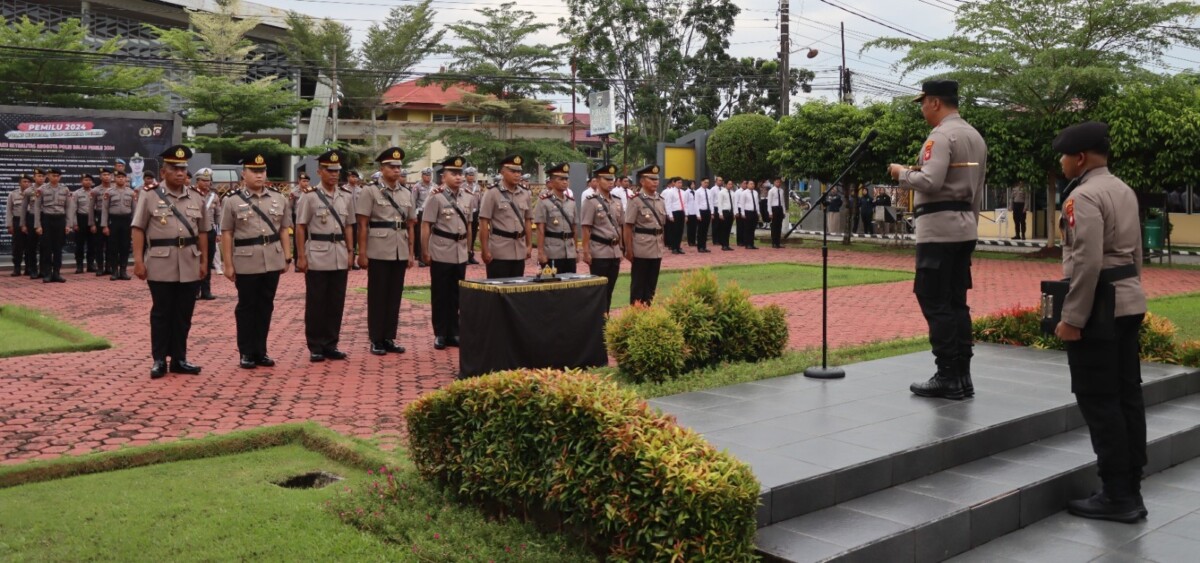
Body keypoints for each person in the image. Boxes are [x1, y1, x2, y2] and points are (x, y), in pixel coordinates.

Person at [1048, 121, 1149, 523]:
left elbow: (1086, 261)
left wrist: (1073, 318)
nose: (1061, 162)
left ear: (1080, 158)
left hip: (1098, 311)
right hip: (1127, 302)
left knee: (1099, 401)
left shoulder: (1083, 197)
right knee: (1127, 398)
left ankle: (1116, 495)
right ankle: (1130, 489)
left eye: (1064, 156)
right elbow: (1136, 253)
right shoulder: (1123, 190)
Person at [888, 79, 987, 400]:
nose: (921, 109)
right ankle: (962, 376)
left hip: (939, 230)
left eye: (922, 102)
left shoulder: (941, 136)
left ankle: (947, 374)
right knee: (957, 301)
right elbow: (977, 188)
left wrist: (901, 173)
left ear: (934, 102)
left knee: (933, 298)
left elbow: (930, 180)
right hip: (963, 227)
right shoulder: (975, 136)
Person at [130, 145, 207, 379]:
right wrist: (139, 261)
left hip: (189, 262)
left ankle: (179, 359)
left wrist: (204, 261)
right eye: (174, 168)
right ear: (163, 172)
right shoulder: (150, 195)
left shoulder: (196, 196)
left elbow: (202, 232)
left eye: (183, 168)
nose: (180, 173)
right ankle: (159, 360)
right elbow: (138, 228)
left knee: (184, 314)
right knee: (162, 313)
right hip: (160, 263)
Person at [221, 153, 292, 370]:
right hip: (246, 260)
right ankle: (246, 352)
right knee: (247, 307)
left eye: (262, 171)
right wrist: (228, 263)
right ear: (244, 174)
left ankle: (261, 350)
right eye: (254, 171)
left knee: (265, 306)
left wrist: (287, 257)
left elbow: (284, 229)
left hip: (272, 258)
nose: (259, 175)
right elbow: (227, 233)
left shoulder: (279, 198)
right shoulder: (232, 200)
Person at [356, 147, 416, 356]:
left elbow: (410, 225)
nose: (397, 170)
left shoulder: (407, 192)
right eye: (392, 166)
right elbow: (362, 224)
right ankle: (376, 338)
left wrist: (411, 253)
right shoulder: (369, 191)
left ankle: (389, 337)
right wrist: (361, 253)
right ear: (382, 168)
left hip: (400, 249)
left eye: (399, 166)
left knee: (394, 296)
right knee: (378, 296)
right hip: (379, 249)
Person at [296, 150, 354, 362]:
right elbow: (300, 227)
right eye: (330, 170)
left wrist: (350, 252)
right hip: (317, 253)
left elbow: (349, 226)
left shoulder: (346, 196)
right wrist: (300, 256)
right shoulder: (309, 196)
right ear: (320, 171)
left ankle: (331, 344)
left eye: (337, 171)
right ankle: (316, 345)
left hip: (339, 252)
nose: (334, 175)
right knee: (317, 302)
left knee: (336, 302)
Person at [421, 155, 472, 350]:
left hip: (459, 251)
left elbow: (469, 225)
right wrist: (424, 251)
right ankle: (440, 333)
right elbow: (426, 225)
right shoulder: (436, 196)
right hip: (441, 250)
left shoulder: (467, 196)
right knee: (441, 293)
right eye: (454, 173)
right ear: (444, 176)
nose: (458, 177)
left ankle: (454, 331)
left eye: (460, 173)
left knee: (456, 293)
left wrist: (468, 249)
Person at [478, 154, 532, 278]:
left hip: (519, 249)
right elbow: (483, 222)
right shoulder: (492, 193)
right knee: (497, 292)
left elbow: (528, 220)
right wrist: (485, 249)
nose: (517, 174)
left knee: (515, 292)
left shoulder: (525, 193)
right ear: (502, 172)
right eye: (513, 171)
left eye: (519, 171)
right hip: (499, 251)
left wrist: (528, 245)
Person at [581, 163, 624, 310]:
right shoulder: (591, 201)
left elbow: (620, 226)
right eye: (606, 179)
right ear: (597, 181)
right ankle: (597, 322)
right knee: (598, 290)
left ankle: (606, 319)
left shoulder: (617, 201)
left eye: (612, 179)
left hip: (614, 251)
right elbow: (586, 228)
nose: (610, 182)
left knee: (610, 289)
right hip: (599, 251)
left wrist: (621, 248)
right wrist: (586, 252)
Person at [623, 164, 666, 305]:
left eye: (657, 179)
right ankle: (635, 316)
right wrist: (628, 250)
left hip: (656, 248)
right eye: (651, 179)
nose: (655, 182)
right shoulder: (635, 200)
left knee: (651, 286)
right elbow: (628, 226)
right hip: (641, 248)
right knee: (638, 286)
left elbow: (661, 226)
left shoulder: (661, 200)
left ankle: (648, 316)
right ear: (642, 181)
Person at [33, 168, 76, 283]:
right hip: (47, 219)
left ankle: (56, 273)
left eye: (57, 176)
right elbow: (37, 208)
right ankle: (47, 273)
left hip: (60, 220)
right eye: (53, 175)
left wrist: (68, 225)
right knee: (46, 248)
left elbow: (69, 207)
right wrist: (38, 225)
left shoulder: (65, 189)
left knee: (58, 248)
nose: (55, 177)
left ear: (60, 177)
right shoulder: (41, 189)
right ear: (48, 176)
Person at [535, 163, 578, 274]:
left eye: (566, 179)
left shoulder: (571, 202)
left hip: (569, 250)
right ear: (552, 182)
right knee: (551, 286)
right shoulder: (544, 201)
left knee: (570, 284)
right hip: (552, 252)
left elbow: (574, 228)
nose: (565, 182)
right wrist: (540, 252)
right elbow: (540, 229)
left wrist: (576, 250)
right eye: (561, 179)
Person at [101, 170, 137, 281]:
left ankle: (123, 271)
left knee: (125, 247)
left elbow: (135, 211)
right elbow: (105, 210)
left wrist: (134, 225)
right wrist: (105, 226)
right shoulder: (109, 192)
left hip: (126, 222)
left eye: (122, 177)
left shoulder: (131, 193)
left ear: (126, 179)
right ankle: (115, 271)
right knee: (113, 247)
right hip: (114, 221)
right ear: (114, 179)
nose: (120, 179)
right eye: (118, 177)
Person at [193, 168, 219, 300]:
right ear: (197, 181)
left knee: (207, 262)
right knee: (196, 261)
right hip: (195, 232)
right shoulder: (192, 194)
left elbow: (218, 215)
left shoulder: (214, 197)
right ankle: (195, 290)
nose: (206, 183)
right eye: (203, 180)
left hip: (210, 232)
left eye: (208, 180)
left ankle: (206, 290)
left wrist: (218, 232)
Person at [6, 174, 30, 276]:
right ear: (19, 183)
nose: (27, 183)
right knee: (17, 246)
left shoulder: (34, 193)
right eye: (24, 181)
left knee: (30, 246)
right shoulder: (13, 194)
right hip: (17, 221)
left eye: (28, 182)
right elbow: (9, 210)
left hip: (30, 221)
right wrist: (9, 225)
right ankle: (17, 268)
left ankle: (29, 268)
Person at [72, 174, 95, 273]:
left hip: (93, 219)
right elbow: (73, 209)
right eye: (85, 180)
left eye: (90, 180)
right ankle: (79, 266)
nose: (88, 182)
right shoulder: (77, 193)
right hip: (81, 219)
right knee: (79, 244)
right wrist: (75, 223)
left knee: (92, 244)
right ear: (81, 181)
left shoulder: (95, 192)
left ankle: (91, 265)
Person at [412, 167, 435, 267]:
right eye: (426, 175)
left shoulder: (434, 186)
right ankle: (421, 259)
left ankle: (430, 257)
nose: (428, 177)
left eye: (429, 175)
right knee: (421, 236)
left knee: (432, 236)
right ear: (422, 176)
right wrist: (414, 215)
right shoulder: (417, 186)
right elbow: (413, 201)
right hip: (421, 212)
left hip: (433, 214)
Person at [24, 168, 44, 279]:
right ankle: (33, 270)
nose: (40, 178)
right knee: (32, 245)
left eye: (42, 176)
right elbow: (23, 209)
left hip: (44, 218)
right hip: (32, 218)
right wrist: (23, 224)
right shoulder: (28, 191)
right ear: (34, 177)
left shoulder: (47, 189)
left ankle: (43, 269)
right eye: (38, 176)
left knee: (45, 246)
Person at [91, 168, 112, 275]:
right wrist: (92, 224)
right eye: (104, 174)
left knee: (111, 244)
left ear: (111, 176)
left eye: (108, 174)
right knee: (99, 244)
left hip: (112, 217)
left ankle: (109, 267)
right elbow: (91, 209)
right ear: (100, 177)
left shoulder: (114, 189)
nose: (106, 176)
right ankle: (100, 267)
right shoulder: (95, 190)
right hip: (99, 216)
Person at [463, 166, 482, 265]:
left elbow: (480, 200)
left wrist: (480, 212)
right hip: (465, 212)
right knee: (465, 234)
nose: (471, 177)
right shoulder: (462, 186)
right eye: (469, 175)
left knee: (473, 234)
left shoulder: (477, 187)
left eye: (472, 175)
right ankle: (464, 255)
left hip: (475, 212)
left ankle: (471, 255)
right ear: (465, 176)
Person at [661, 177, 685, 254]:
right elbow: (668, 204)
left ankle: (678, 246)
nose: (680, 184)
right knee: (674, 230)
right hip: (674, 212)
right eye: (678, 182)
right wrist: (670, 215)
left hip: (681, 212)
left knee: (680, 231)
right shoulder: (670, 192)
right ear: (674, 183)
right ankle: (674, 247)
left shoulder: (683, 192)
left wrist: (686, 214)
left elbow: (685, 204)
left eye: (681, 182)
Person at [738, 180, 760, 249]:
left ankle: (751, 243)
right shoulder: (744, 193)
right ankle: (747, 244)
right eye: (750, 184)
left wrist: (758, 212)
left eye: (753, 184)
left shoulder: (755, 193)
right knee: (747, 228)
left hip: (754, 212)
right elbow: (742, 204)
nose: (752, 185)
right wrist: (742, 213)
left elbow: (757, 203)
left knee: (752, 228)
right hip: (747, 212)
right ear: (747, 185)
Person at [714, 179, 735, 250]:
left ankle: (727, 244)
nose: (730, 185)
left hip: (730, 212)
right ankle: (723, 245)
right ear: (725, 184)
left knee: (728, 229)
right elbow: (720, 203)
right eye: (729, 184)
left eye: (731, 184)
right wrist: (720, 213)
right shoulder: (721, 192)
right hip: (724, 212)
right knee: (723, 229)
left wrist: (734, 213)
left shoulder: (732, 193)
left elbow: (734, 204)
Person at [694, 178, 712, 253]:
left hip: (707, 211)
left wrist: (712, 212)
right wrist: (698, 214)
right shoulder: (698, 192)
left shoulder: (709, 191)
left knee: (705, 230)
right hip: (701, 212)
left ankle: (704, 246)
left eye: (707, 182)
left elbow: (711, 202)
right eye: (705, 182)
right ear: (701, 182)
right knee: (700, 230)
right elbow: (696, 203)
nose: (706, 184)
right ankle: (700, 247)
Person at [768, 178, 786, 248]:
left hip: (780, 208)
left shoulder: (781, 190)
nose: (778, 183)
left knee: (779, 226)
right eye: (777, 182)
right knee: (774, 226)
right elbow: (769, 202)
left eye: (779, 182)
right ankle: (774, 242)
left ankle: (778, 242)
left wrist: (784, 211)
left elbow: (783, 201)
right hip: (774, 208)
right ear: (774, 182)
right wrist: (770, 212)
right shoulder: (771, 191)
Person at [683, 180, 698, 248]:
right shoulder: (686, 192)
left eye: (694, 184)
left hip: (695, 212)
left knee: (694, 228)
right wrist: (686, 214)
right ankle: (690, 241)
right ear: (689, 185)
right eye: (692, 184)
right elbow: (685, 203)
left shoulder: (695, 192)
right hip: (689, 212)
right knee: (690, 228)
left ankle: (693, 241)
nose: (693, 185)